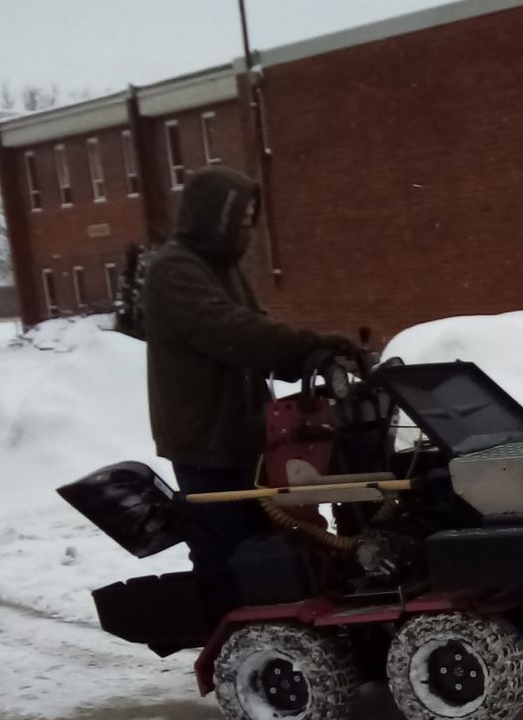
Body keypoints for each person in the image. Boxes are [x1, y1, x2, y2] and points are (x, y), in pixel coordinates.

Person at [143, 166, 362, 571]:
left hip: (246, 436)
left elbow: (259, 339)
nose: (247, 231)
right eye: (240, 221)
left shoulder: (224, 270)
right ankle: (223, 609)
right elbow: (234, 333)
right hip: (205, 441)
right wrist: (311, 342)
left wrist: (314, 361)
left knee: (266, 548)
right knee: (227, 551)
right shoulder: (174, 269)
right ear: (215, 218)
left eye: (249, 221)